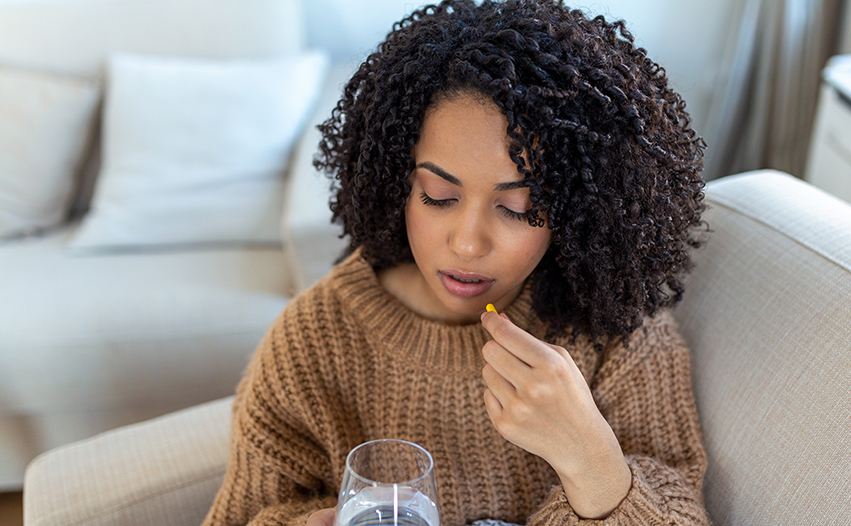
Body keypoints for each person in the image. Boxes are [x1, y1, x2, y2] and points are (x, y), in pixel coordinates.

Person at [202, 0, 709, 525]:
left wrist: (590, 459)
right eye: (439, 196)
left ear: (578, 209)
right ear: (397, 183)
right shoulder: (312, 344)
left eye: (518, 208)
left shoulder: (614, 332)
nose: (468, 244)